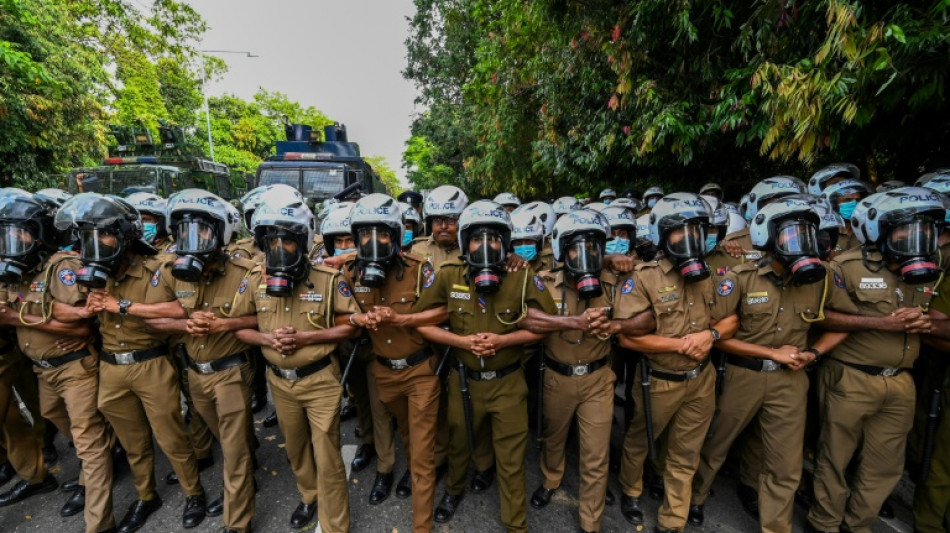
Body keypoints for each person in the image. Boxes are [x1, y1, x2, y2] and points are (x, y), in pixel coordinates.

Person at [56, 193, 208, 533]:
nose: (95, 243)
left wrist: (122, 305)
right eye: (88, 236)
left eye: (104, 234)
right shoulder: (94, 273)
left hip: (151, 365)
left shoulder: (158, 269)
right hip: (111, 368)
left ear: (125, 236)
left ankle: (193, 492)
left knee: (170, 437)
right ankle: (145, 494)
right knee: (133, 442)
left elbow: (182, 310)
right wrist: (84, 322)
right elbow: (76, 309)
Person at [688, 198, 839, 533]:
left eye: (807, 233)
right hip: (744, 375)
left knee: (785, 464)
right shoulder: (743, 277)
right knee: (716, 444)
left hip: (791, 381)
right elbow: (715, 335)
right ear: (768, 236)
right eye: (790, 234)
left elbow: (842, 323)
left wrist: (813, 354)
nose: (800, 241)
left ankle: (776, 526)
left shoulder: (821, 279)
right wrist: (772, 354)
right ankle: (695, 498)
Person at [412, 200, 557, 532]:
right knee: (460, 444)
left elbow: (547, 325)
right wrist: (461, 343)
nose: (486, 245)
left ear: (505, 242)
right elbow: (420, 322)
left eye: (495, 238)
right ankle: (453, 492)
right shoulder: (449, 275)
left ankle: (516, 524)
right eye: (478, 239)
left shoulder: (522, 276)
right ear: (465, 242)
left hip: (509, 383)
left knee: (511, 459)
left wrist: (504, 341)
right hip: (464, 380)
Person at [807, 187, 944, 533]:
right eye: (904, 229)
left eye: (923, 229)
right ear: (877, 229)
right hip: (851, 377)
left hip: (900, 382)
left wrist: (927, 323)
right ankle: (824, 523)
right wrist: (881, 324)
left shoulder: (927, 272)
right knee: (835, 457)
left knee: (884, 465)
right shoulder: (847, 268)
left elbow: (931, 315)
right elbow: (820, 317)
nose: (916, 237)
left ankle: (859, 525)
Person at [232, 190, 361, 533]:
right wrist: (265, 339)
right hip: (280, 382)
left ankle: (335, 525)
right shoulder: (255, 279)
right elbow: (239, 326)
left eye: (286, 240)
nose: (278, 247)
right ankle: (309, 496)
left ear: (302, 241)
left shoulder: (328, 279)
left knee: (328, 455)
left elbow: (351, 325)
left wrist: (307, 338)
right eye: (270, 239)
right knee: (297, 449)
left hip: (320, 381)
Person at [143, 189, 258, 533]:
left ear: (221, 233)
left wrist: (227, 324)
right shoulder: (170, 271)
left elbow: (264, 317)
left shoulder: (245, 271)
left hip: (231, 372)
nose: (192, 238)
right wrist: (185, 324)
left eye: (202, 230)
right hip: (196, 375)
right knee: (226, 441)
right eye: (184, 230)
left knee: (234, 450)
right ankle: (244, 484)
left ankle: (237, 522)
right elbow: (153, 318)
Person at [615, 192, 719, 532]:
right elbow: (627, 337)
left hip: (701, 379)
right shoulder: (645, 277)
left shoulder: (711, 274)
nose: (689, 239)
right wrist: (680, 344)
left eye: (696, 230)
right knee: (640, 439)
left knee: (686, 452)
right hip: (658, 379)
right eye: (679, 231)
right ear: (662, 234)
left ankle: (673, 518)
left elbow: (731, 318)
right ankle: (631, 489)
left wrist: (711, 336)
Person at [343, 193, 443, 532]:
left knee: (421, 451)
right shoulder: (349, 272)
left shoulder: (418, 269)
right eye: (364, 235)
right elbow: (338, 315)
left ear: (396, 236)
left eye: (382, 233)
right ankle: (419, 473)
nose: (373, 242)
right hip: (384, 375)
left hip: (420, 373)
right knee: (408, 438)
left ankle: (421, 525)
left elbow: (443, 310)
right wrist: (358, 321)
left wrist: (400, 320)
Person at [521, 209, 615, 533]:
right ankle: (550, 480)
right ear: (562, 250)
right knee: (553, 438)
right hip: (557, 377)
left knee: (595, 454)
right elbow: (529, 319)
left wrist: (614, 323)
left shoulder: (614, 282)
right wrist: (573, 322)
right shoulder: (546, 282)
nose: (585, 254)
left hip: (598, 379)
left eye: (593, 247)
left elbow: (643, 316)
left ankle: (591, 521)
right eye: (576, 247)